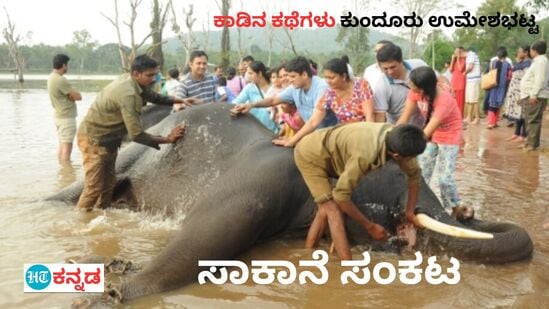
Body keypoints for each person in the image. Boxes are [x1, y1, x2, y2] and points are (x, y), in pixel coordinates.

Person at [75, 55, 194, 211]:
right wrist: (168, 139)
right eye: (149, 75)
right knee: (94, 187)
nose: (154, 79)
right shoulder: (128, 94)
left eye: (155, 74)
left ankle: (101, 214)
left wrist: (180, 101)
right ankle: (79, 222)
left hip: (109, 140)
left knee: (109, 183)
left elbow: (153, 96)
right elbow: (136, 134)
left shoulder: (133, 82)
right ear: (136, 73)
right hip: (94, 141)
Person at [294, 122, 426, 260]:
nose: (412, 161)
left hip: (335, 154)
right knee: (333, 209)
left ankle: (308, 254)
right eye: (411, 158)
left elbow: (415, 176)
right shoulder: (365, 154)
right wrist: (370, 226)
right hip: (311, 154)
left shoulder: (398, 139)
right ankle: (349, 269)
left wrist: (409, 212)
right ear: (397, 156)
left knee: (324, 208)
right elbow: (341, 197)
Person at [397, 67, 470, 218]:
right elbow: (404, 117)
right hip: (432, 132)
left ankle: (456, 207)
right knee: (421, 171)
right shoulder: (416, 92)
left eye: (414, 87)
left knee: (445, 178)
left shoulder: (444, 101)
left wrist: (404, 150)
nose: (411, 88)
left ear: (423, 90)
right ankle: (418, 202)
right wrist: (392, 137)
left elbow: (425, 134)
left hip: (449, 135)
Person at [272, 58, 374, 147]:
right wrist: (293, 140)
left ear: (343, 76)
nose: (328, 81)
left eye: (332, 78)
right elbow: (313, 122)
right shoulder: (329, 94)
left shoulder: (361, 84)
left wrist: (369, 140)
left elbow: (369, 115)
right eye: (326, 77)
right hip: (345, 135)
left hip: (366, 132)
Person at [231, 56, 337, 131]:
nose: (289, 80)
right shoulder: (294, 88)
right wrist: (251, 105)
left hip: (329, 132)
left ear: (304, 74)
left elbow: (314, 122)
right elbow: (273, 100)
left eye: (292, 76)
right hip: (312, 133)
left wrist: (292, 141)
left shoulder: (321, 88)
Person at [371, 43, 427, 127]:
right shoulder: (381, 85)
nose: (390, 72)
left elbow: (439, 80)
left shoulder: (418, 65)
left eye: (393, 67)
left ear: (401, 61)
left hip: (426, 124)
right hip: (399, 129)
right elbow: (380, 116)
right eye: (385, 69)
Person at [47, 53, 82, 163]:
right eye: (67, 65)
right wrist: (72, 96)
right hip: (66, 117)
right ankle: (66, 172)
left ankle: (62, 170)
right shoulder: (61, 80)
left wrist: (70, 96)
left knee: (62, 145)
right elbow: (78, 96)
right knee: (67, 147)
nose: (68, 67)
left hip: (58, 116)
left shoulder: (51, 77)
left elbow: (71, 96)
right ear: (63, 65)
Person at [231, 61, 279, 133]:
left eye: (251, 73)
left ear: (259, 73)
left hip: (275, 130)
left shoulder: (275, 87)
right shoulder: (249, 88)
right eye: (248, 73)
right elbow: (235, 103)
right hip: (256, 132)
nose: (248, 76)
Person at [519, 40, 549, 151]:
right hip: (531, 94)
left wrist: (533, 95)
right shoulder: (538, 61)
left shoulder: (541, 62)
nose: (530, 51)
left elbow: (539, 80)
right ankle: (529, 142)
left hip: (536, 95)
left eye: (531, 49)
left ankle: (532, 144)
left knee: (533, 120)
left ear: (534, 50)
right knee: (530, 119)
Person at [504, 46, 531, 142]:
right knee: (517, 112)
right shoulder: (520, 62)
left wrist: (523, 93)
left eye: (520, 52)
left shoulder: (528, 64)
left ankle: (523, 135)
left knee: (522, 112)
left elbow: (526, 79)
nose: (518, 53)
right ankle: (516, 133)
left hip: (521, 90)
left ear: (526, 53)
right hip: (514, 90)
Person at [486, 48, 512, 129]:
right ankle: (495, 122)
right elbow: (509, 77)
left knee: (491, 104)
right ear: (506, 55)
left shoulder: (493, 63)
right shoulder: (508, 64)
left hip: (493, 86)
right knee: (498, 104)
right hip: (502, 87)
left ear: (498, 55)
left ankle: (491, 122)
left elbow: (488, 72)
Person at [463, 47, 481, 124]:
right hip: (470, 80)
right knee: (470, 100)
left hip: (473, 80)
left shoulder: (471, 55)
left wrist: (465, 73)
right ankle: (469, 117)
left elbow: (470, 67)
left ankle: (477, 118)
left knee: (475, 100)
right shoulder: (470, 56)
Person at [449, 47, 466, 117]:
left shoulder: (464, 61)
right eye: (455, 51)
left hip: (460, 83)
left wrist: (458, 59)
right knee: (453, 102)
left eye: (458, 52)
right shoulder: (455, 61)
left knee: (460, 103)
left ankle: (459, 117)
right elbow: (450, 70)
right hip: (454, 83)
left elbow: (461, 69)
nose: (456, 53)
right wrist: (453, 59)